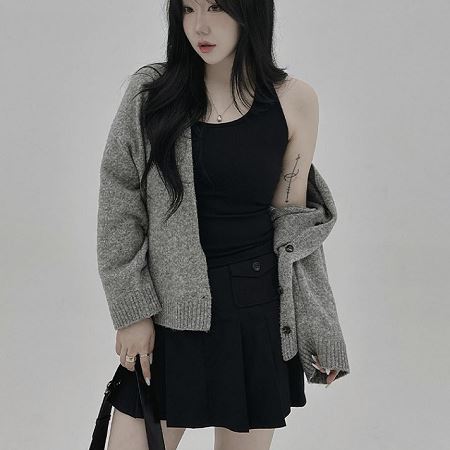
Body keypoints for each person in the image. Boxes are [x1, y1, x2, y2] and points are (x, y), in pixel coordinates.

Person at [97, 1, 349, 449]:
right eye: (188, 8)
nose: (200, 25)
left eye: (216, 7)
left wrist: (320, 326)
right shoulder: (151, 93)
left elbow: (294, 231)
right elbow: (120, 204)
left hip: (255, 315)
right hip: (169, 314)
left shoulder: (295, 101)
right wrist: (133, 312)